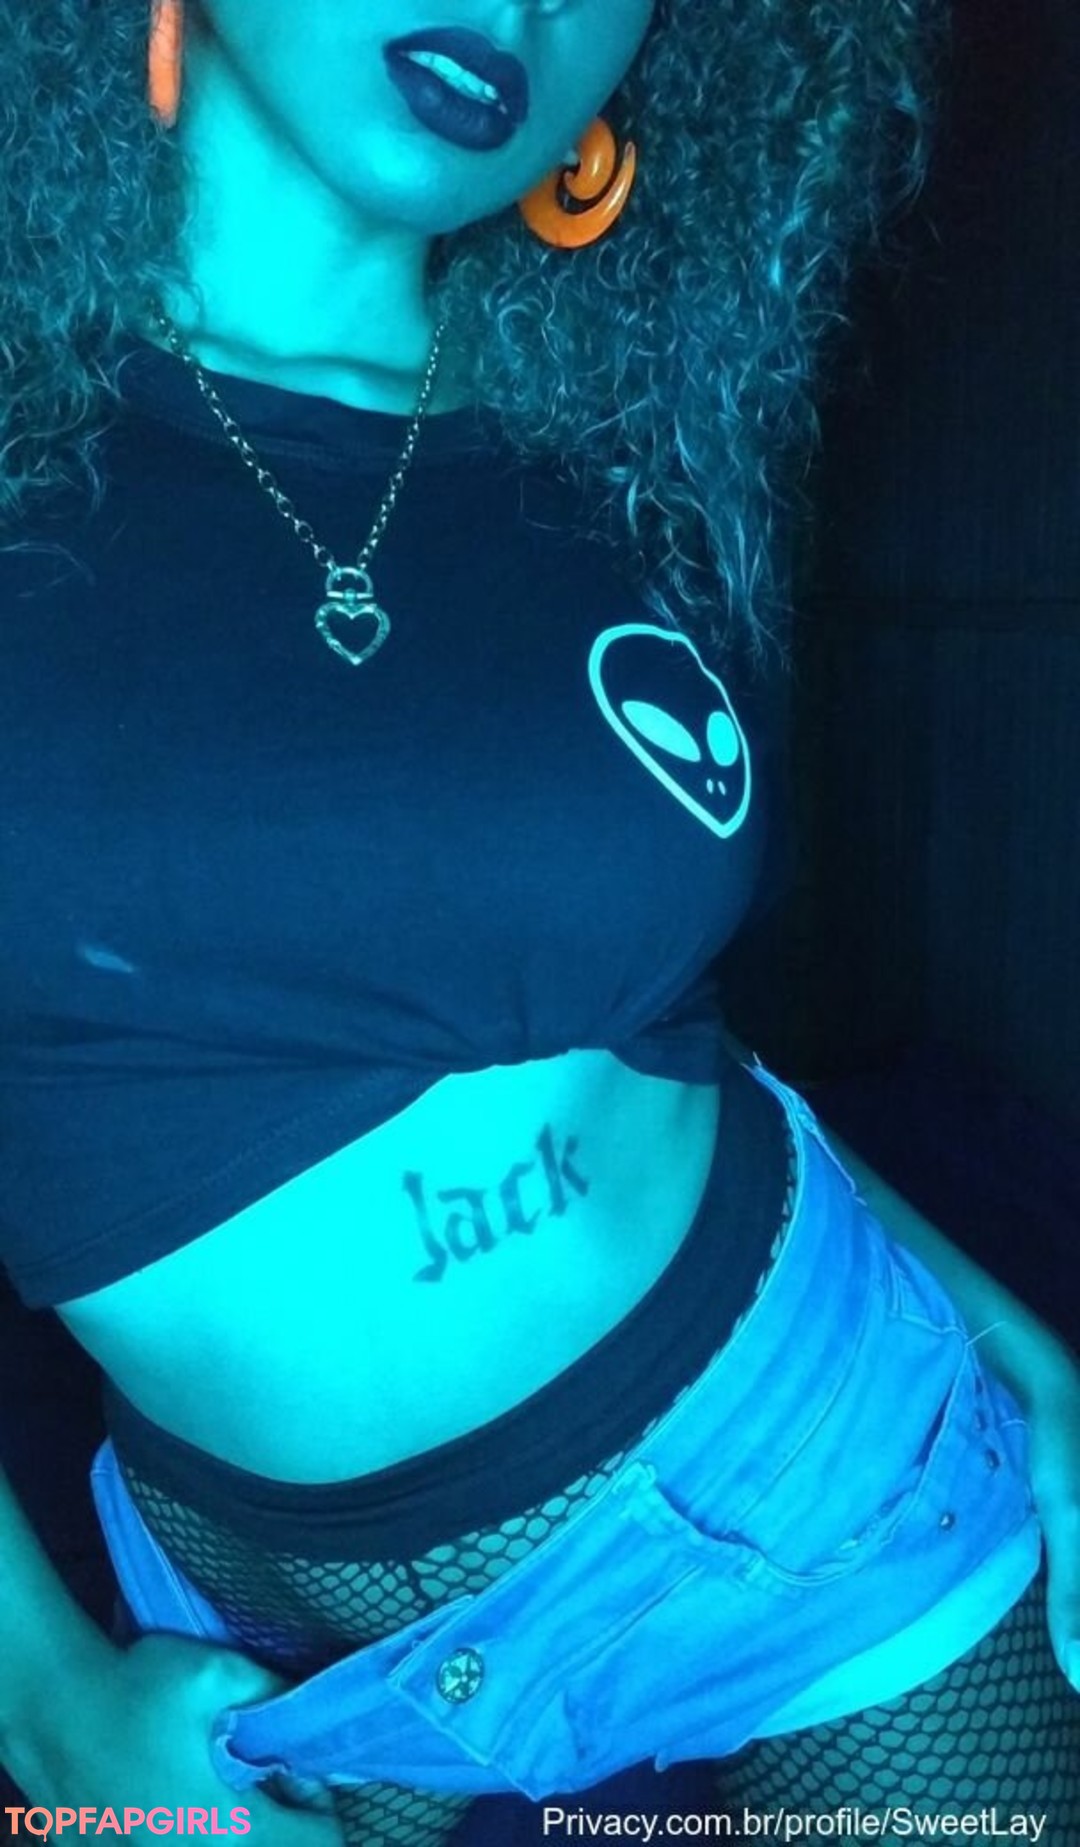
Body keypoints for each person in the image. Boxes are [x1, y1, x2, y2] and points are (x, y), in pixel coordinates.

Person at [0, 3, 1078, 1844]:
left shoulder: (622, 461)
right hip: (260, 1636)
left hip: (804, 1472)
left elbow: (654, 1039)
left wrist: (1005, 1331)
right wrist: (43, 1711)